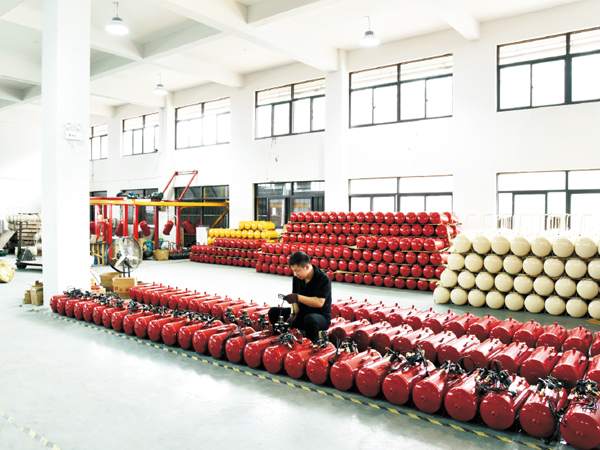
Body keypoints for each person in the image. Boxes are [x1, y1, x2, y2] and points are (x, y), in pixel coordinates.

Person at [268, 251, 332, 342]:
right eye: (294, 271)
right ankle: (282, 339)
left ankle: (312, 345)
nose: (295, 274)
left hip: (320, 317)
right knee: (273, 312)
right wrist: (293, 315)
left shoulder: (323, 278)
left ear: (307, 267)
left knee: (309, 319)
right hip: (302, 314)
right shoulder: (297, 278)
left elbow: (319, 302)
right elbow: (294, 301)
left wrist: (297, 297)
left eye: (297, 271)